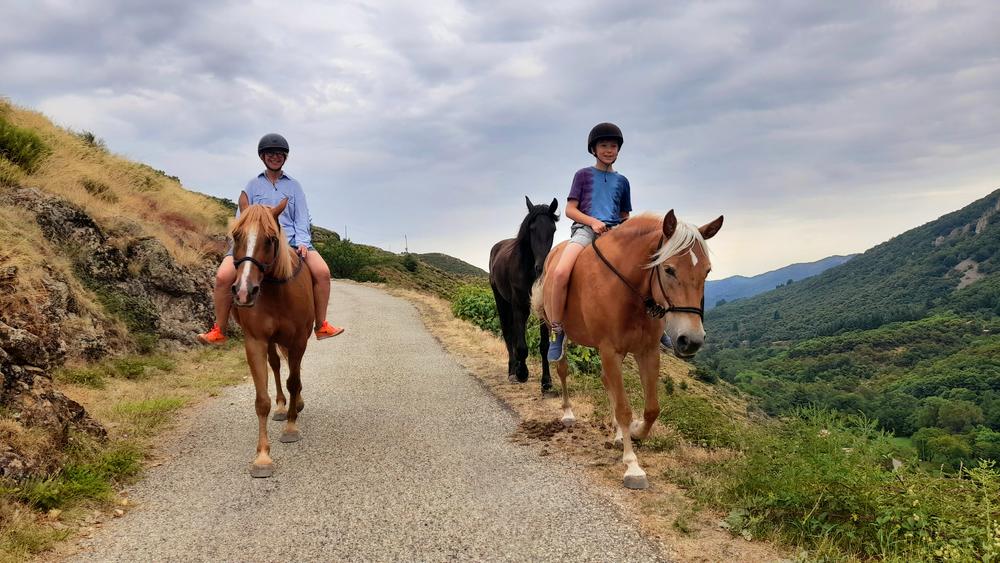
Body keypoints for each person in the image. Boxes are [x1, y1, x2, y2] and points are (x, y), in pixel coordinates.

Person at [197, 133, 344, 344]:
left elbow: (301, 217)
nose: (275, 157)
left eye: (279, 154)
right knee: (222, 277)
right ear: (263, 157)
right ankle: (219, 329)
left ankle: (321, 325)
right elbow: (242, 218)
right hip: (254, 243)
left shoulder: (294, 186)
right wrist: (240, 243)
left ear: (285, 157)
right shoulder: (252, 185)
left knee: (322, 273)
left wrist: (303, 242)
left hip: (292, 241)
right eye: (270, 154)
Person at [544, 123, 671, 361]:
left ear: (618, 150)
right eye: (603, 145)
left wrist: (625, 233)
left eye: (613, 146)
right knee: (561, 272)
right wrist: (592, 222)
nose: (608, 150)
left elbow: (624, 216)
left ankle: (657, 323)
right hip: (585, 230)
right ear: (593, 149)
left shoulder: (623, 182)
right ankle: (557, 329)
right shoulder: (582, 175)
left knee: (649, 271)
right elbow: (570, 210)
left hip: (616, 234)